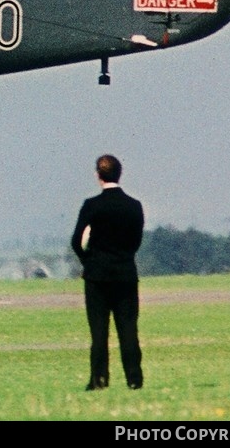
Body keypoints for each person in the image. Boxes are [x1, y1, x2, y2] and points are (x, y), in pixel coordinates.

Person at [71, 153, 145, 391]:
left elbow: (76, 241)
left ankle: (99, 380)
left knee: (99, 332)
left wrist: (89, 261)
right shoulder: (134, 206)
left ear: (98, 176)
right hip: (125, 273)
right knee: (128, 329)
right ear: (119, 174)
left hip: (97, 277)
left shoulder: (92, 205)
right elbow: (136, 241)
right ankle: (134, 379)